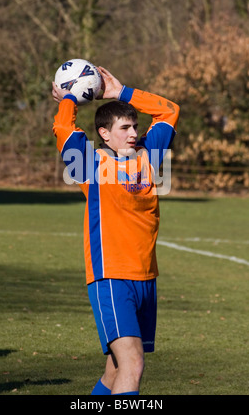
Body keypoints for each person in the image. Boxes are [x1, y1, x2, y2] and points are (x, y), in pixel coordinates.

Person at [52, 66, 180, 395]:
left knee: (116, 370)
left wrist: (122, 93)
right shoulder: (91, 166)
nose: (133, 133)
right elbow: (64, 129)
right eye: (124, 127)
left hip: (146, 278)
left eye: (135, 126)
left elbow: (169, 110)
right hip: (111, 277)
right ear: (105, 135)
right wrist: (69, 98)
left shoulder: (149, 157)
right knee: (134, 365)